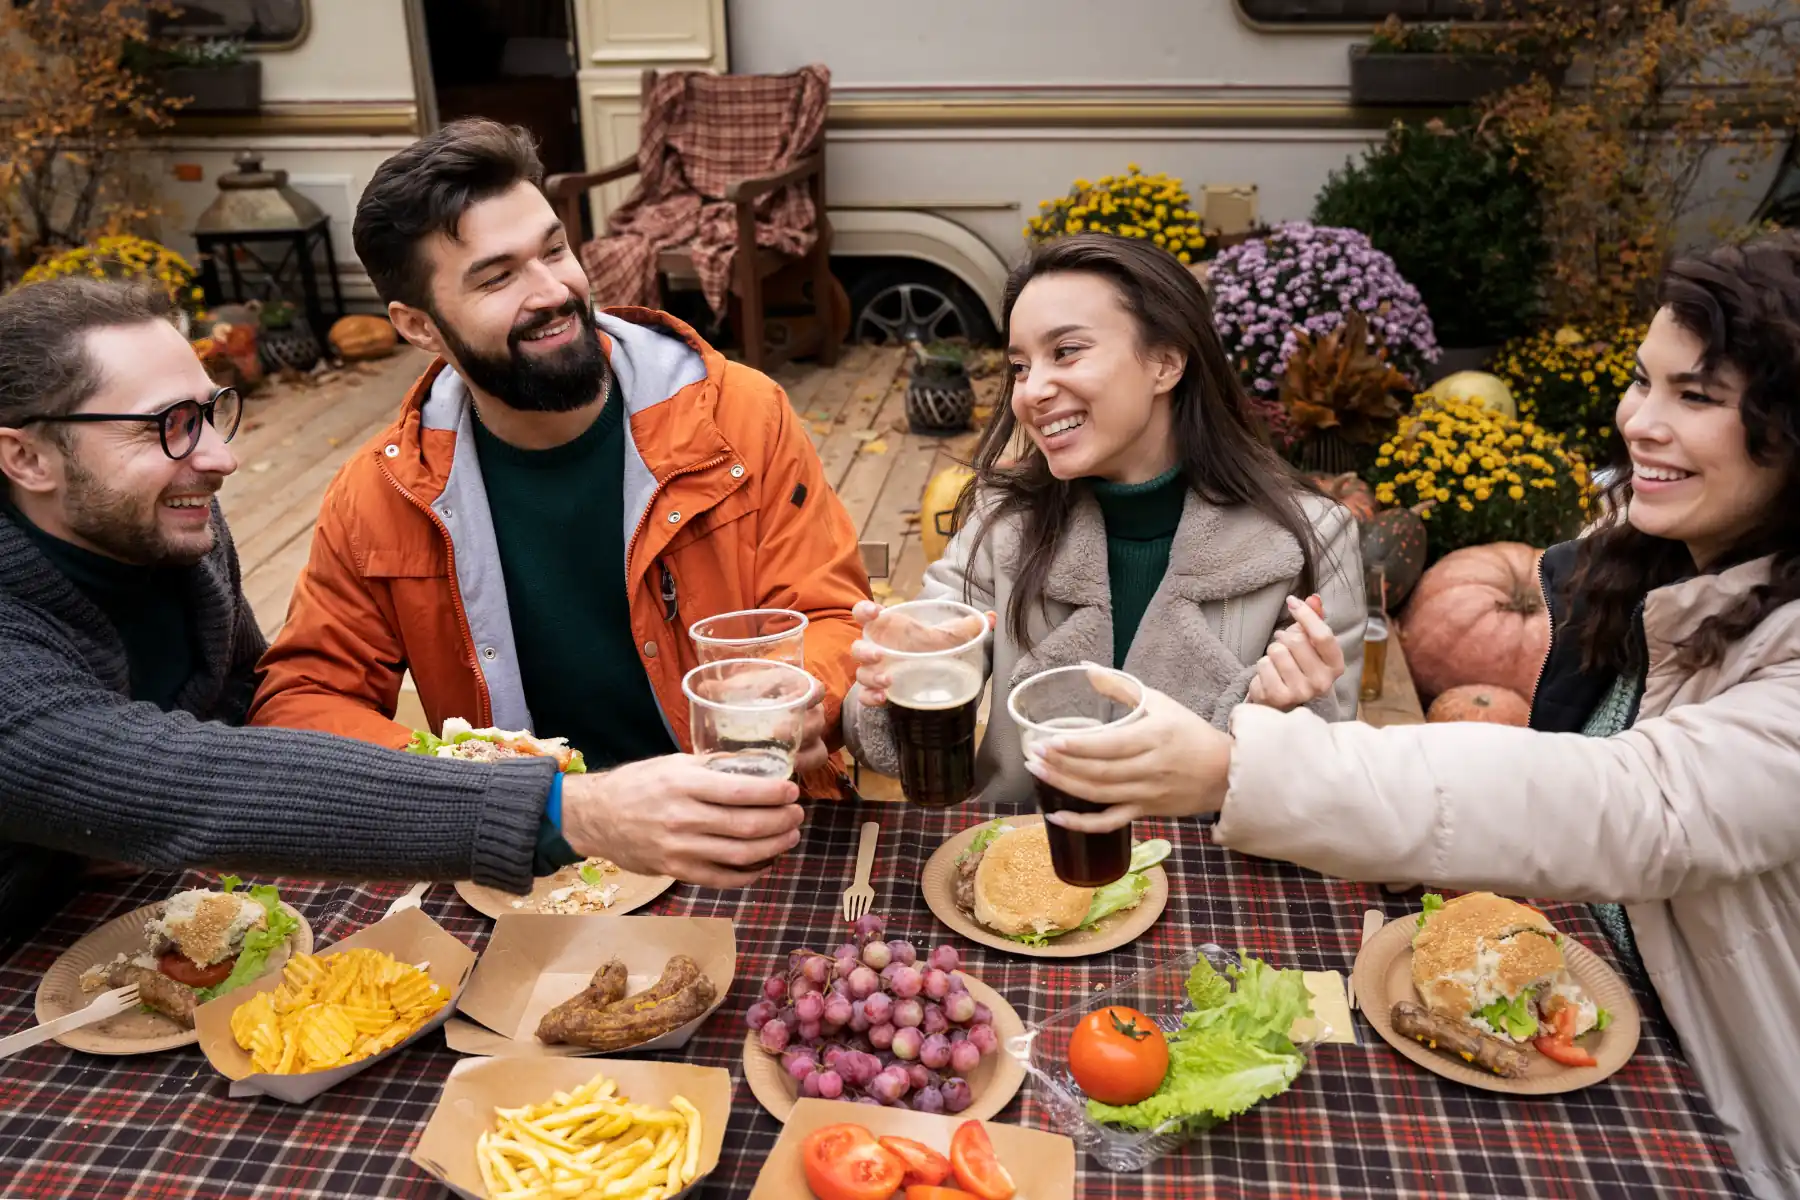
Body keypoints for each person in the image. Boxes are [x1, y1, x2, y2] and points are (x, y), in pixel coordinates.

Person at [1028, 233, 1800, 1200]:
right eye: (1642, 383)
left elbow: (1639, 803)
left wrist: (1242, 765)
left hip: (1728, 1118)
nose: (1639, 421)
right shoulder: (1642, 578)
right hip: (1558, 1004)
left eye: (1697, 397)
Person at [0, 277, 808, 937]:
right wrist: (568, 809)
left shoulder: (171, 525)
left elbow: (245, 712)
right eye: (168, 428)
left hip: (162, 902)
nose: (221, 458)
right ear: (25, 456)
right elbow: (178, 779)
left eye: (211, 413)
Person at [247, 119, 870, 804]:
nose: (551, 292)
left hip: (751, 809)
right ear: (420, 326)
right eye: (497, 278)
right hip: (531, 860)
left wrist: (804, 688)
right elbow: (302, 701)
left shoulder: (738, 417)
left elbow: (833, 618)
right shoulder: (380, 495)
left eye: (554, 250)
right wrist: (469, 785)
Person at [844, 233, 1364, 806]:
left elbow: (1330, 781)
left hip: (1208, 879)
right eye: (1020, 365)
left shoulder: (1313, 538)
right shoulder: (1004, 520)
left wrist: (1275, 720)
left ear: (1166, 361)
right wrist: (902, 673)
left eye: (1066, 351)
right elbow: (885, 742)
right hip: (1018, 862)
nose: (1032, 391)